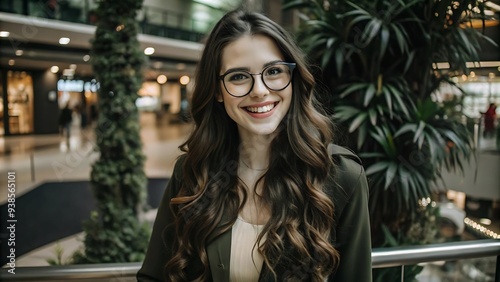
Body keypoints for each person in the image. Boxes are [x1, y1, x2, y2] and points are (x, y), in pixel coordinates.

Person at [137, 10, 372, 282]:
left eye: (273, 71)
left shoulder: (342, 177)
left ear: (293, 79)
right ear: (216, 90)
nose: (259, 90)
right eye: (238, 76)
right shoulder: (192, 172)